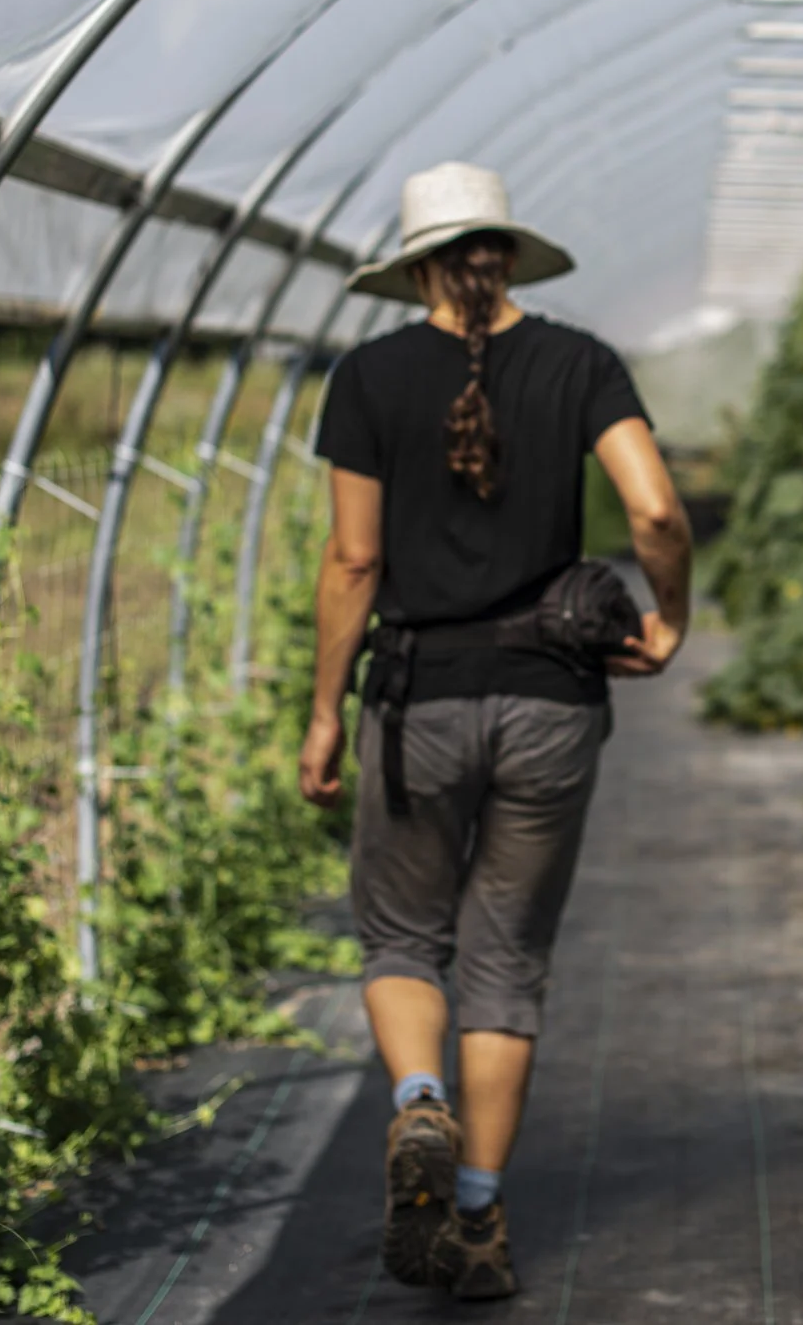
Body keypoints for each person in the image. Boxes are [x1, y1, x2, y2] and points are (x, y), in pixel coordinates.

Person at [297, 160, 693, 1300]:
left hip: (415, 699)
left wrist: (326, 712)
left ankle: (417, 1104)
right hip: (552, 704)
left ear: (417, 267)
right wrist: (671, 616)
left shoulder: (368, 377)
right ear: (508, 255)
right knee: (506, 962)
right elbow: (656, 506)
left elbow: (355, 559)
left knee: (403, 941)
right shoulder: (581, 363)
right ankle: (476, 1215)